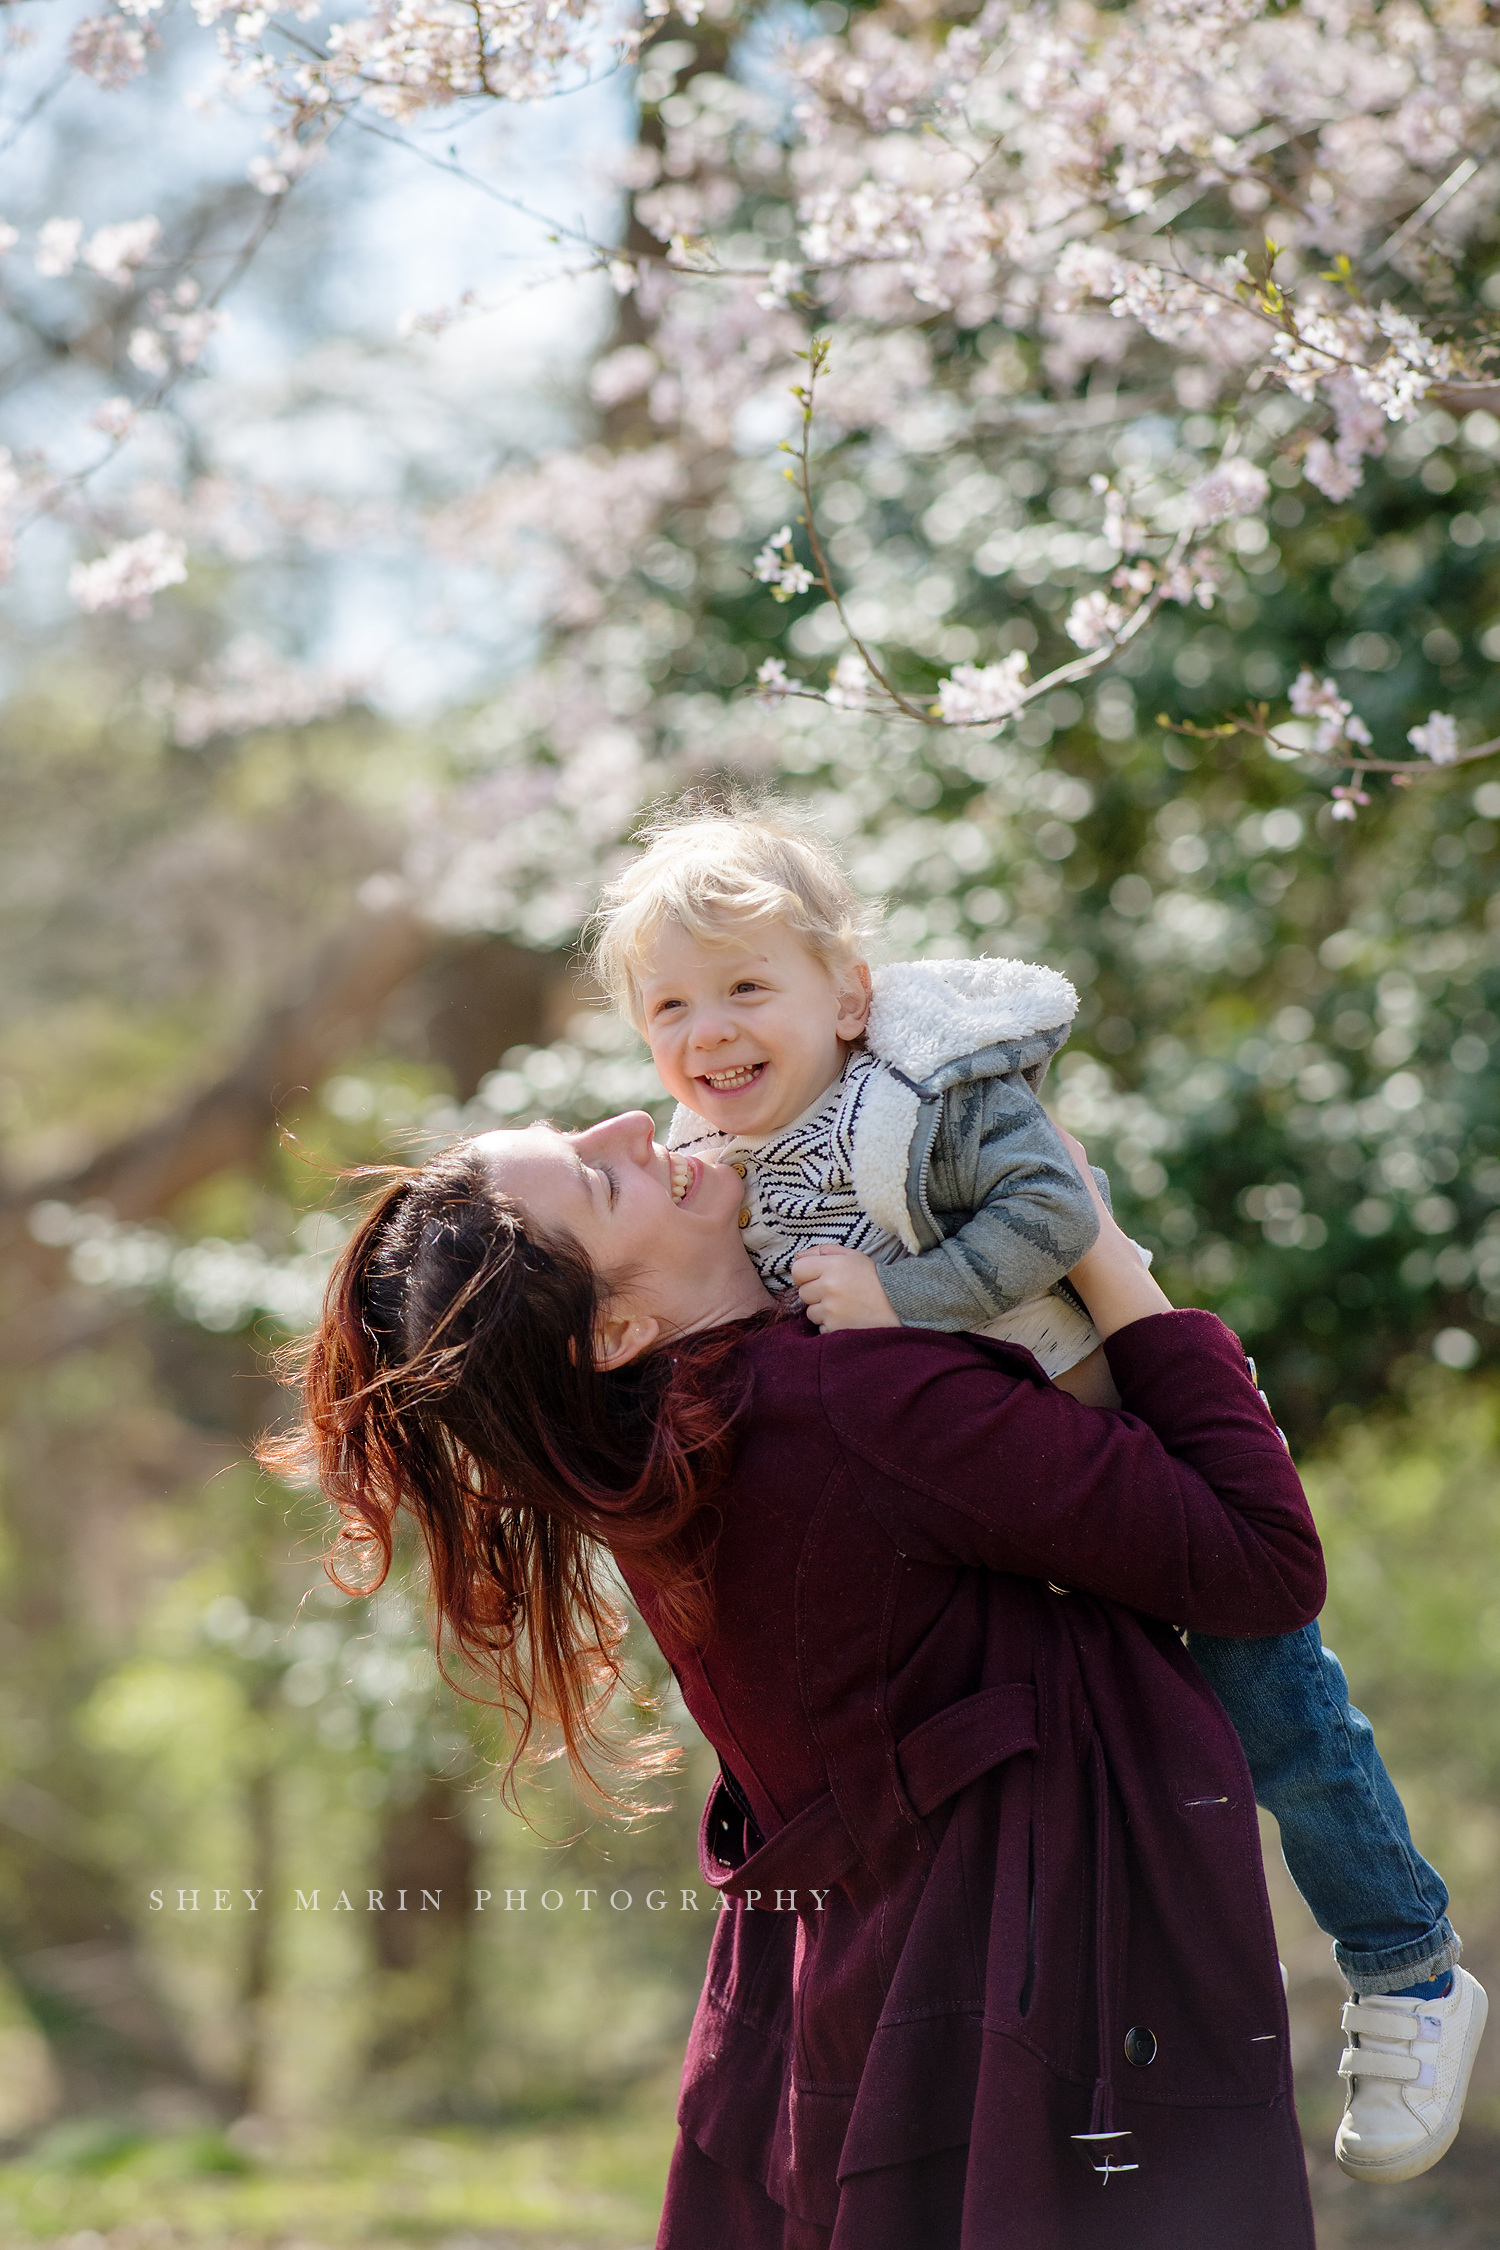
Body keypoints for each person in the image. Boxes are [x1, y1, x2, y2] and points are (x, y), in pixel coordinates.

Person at [586, 800, 1488, 2187]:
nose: (707, 1032)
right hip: (1023, 1513)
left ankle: (1407, 1964)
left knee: (1284, 1711)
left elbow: (1057, 1216)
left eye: (747, 988)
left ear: (850, 992)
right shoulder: (720, 1174)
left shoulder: (932, 1097)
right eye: (670, 1005)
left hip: (1142, 1417)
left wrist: (903, 1301)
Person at [279, 1100, 1330, 2245]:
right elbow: (1262, 1560)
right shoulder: (855, 1402)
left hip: (857, 2022)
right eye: (599, 1179)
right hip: (1040, 2022)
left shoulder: (662, 1462)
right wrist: (1098, 1247)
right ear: (616, 1326)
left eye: (581, 1132)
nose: (632, 1119)